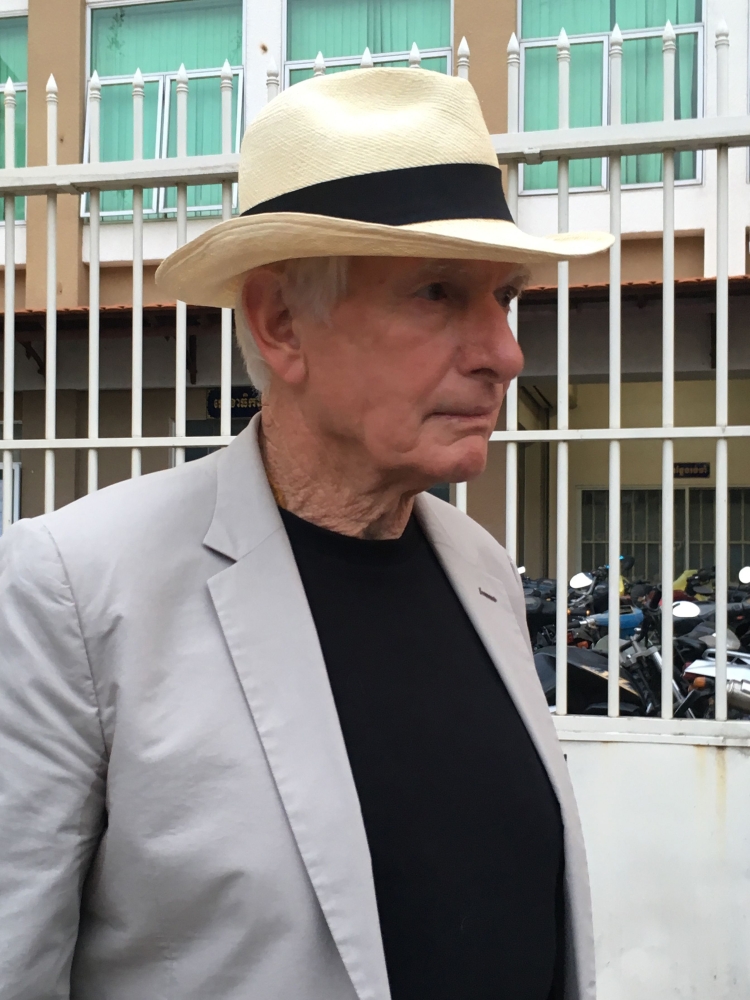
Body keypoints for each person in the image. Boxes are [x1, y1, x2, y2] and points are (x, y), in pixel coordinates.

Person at [0, 67, 612, 1000]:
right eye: (440, 292)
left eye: (508, 297)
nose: (504, 353)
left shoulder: (482, 570)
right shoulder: (77, 590)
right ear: (282, 324)